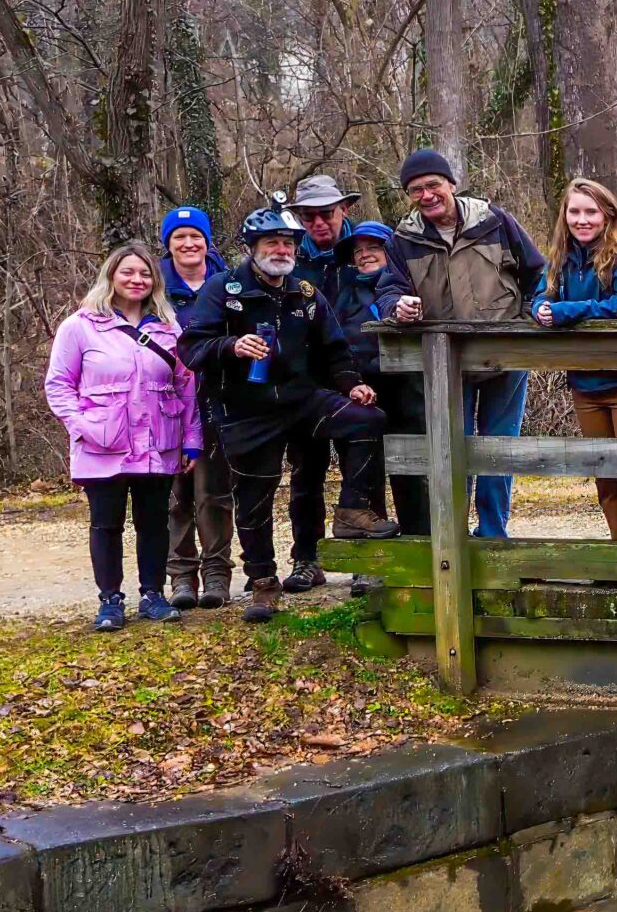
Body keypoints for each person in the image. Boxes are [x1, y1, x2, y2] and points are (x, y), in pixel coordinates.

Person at [180, 194, 387, 624]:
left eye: (289, 244)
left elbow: (335, 351)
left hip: (301, 400)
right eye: (272, 243)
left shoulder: (305, 293)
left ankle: (351, 511)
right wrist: (231, 345)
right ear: (252, 248)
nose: (282, 251)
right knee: (253, 501)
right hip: (246, 410)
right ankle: (263, 582)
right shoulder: (226, 289)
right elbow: (191, 347)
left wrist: (353, 386)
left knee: (367, 420)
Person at [381, 149, 545, 538]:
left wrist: (527, 317)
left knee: (498, 447)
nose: (426, 195)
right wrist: (397, 307)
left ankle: (492, 531)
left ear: (451, 185)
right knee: (450, 450)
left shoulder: (495, 221)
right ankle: (452, 535)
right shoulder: (403, 240)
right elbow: (389, 290)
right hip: (444, 363)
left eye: (433, 185)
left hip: (504, 355)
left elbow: (536, 272)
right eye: (415, 190)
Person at [48, 245, 200, 630]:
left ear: (155, 281)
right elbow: (59, 385)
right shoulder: (80, 326)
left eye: (145, 274)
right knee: (106, 523)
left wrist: (191, 439)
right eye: (128, 272)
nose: (137, 280)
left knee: (153, 522)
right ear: (111, 276)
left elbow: (186, 388)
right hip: (102, 444)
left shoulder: (169, 328)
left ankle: (153, 594)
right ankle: (110, 601)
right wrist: (82, 426)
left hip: (157, 442)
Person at [533, 178, 617, 541]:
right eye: (575, 211)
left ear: (606, 215)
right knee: (606, 479)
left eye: (590, 211)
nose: (582, 219)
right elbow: (541, 293)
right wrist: (541, 307)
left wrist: (566, 311)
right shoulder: (560, 256)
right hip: (583, 383)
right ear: (565, 215)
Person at [285, 174, 367, 587]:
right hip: (306, 382)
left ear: (344, 210)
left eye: (326, 214)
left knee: (364, 468)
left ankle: (363, 559)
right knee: (306, 473)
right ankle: (307, 557)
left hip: (359, 375)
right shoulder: (288, 258)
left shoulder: (367, 249)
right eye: (309, 216)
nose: (319, 223)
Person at [159, 208, 232, 607]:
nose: (189, 244)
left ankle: (217, 574)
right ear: (168, 244)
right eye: (179, 237)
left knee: (215, 492)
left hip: (216, 400)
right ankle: (181, 576)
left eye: (196, 236)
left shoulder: (228, 284)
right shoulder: (153, 288)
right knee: (176, 496)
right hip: (166, 404)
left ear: (207, 241)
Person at [337, 221, 427, 537]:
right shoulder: (344, 293)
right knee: (367, 468)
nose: (364, 255)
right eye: (358, 251)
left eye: (373, 248)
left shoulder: (414, 286)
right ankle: (374, 549)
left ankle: (422, 539)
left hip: (410, 388)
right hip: (365, 392)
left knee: (413, 466)